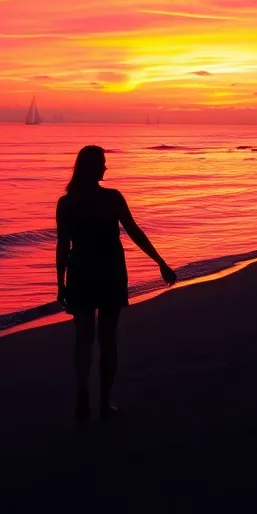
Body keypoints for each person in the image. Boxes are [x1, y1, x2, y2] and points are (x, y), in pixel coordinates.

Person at [56, 145, 177, 422]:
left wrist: (60, 283)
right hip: (110, 272)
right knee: (107, 340)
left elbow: (63, 245)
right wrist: (160, 261)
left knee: (84, 340)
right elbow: (134, 231)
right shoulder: (112, 198)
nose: (106, 167)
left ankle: (84, 399)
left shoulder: (67, 202)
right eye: (102, 163)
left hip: (81, 274)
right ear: (92, 167)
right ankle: (103, 402)